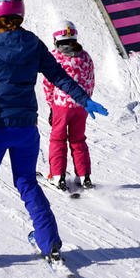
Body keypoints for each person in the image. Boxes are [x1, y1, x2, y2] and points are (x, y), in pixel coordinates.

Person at [0, 0, 109, 264]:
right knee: (26, 181)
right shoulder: (32, 44)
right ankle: (48, 241)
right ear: (20, 14)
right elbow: (59, 76)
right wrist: (84, 100)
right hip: (25, 130)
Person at [42, 21, 96, 191]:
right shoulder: (85, 57)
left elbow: (47, 84)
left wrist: (51, 105)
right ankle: (84, 176)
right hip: (81, 107)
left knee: (58, 139)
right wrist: (86, 101)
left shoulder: (55, 57)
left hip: (61, 106)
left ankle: (58, 177)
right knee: (78, 139)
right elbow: (91, 80)